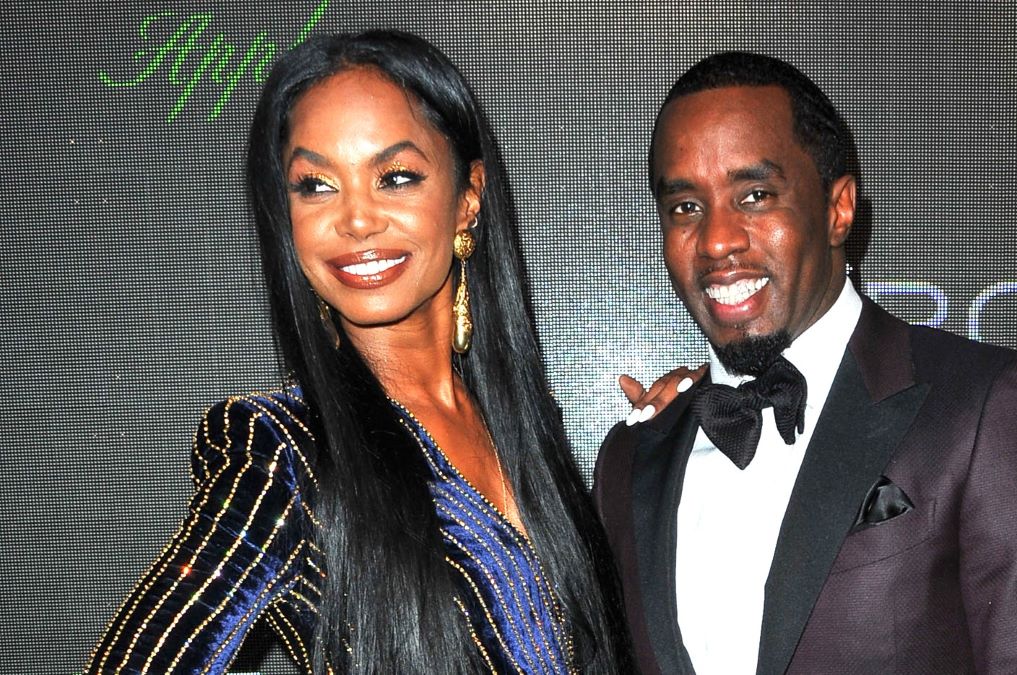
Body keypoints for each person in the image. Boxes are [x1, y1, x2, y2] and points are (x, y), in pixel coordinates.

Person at [86, 30, 631, 674]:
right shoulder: (282, 451)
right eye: (315, 186)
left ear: (468, 198)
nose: (356, 220)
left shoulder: (520, 422)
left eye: (395, 177)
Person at [593, 51, 1017, 674]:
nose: (716, 241)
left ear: (837, 209)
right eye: (686, 206)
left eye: (755, 195)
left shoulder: (992, 409)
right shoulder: (633, 459)